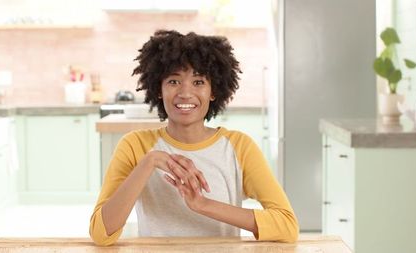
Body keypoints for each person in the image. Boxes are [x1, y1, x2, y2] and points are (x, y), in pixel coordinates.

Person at [89, 30, 299, 246]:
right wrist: (149, 162)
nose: (185, 93)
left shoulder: (239, 146)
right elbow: (100, 233)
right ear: (159, 89)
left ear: (213, 91)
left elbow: (286, 225)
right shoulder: (135, 146)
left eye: (198, 82)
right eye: (173, 81)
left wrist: (203, 205)